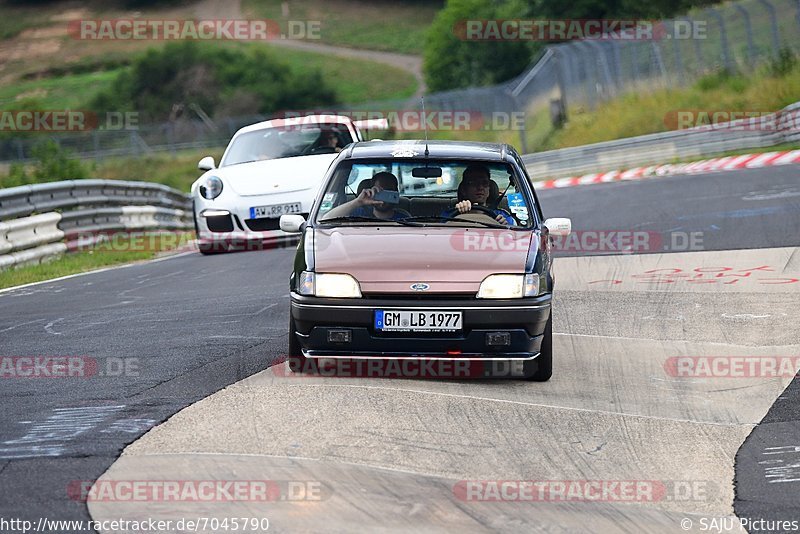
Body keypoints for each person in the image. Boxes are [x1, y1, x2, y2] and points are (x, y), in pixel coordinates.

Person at [322, 172, 409, 220]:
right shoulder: (357, 213)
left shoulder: (404, 219)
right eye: (379, 192)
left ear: (396, 192)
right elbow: (326, 219)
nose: (383, 199)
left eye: (387, 192)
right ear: (372, 190)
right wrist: (358, 202)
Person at [446, 164, 514, 225]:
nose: (480, 187)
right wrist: (459, 213)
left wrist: (504, 226)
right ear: (464, 190)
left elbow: (515, 234)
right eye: (473, 183)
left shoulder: (502, 216)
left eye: (485, 183)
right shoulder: (450, 214)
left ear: (489, 190)